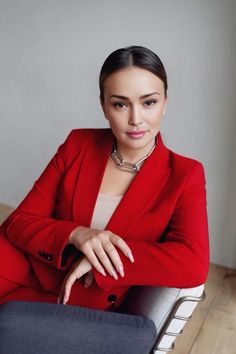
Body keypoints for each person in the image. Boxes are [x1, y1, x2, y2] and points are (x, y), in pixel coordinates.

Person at [0, 46, 209, 311]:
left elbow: (193, 263)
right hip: (21, 270)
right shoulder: (78, 144)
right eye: (120, 104)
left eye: (149, 102)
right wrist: (77, 234)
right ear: (103, 106)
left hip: (82, 301)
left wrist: (104, 256)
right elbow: (19, 223)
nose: (135, 119)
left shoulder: (185, 174)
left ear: (165, 102)